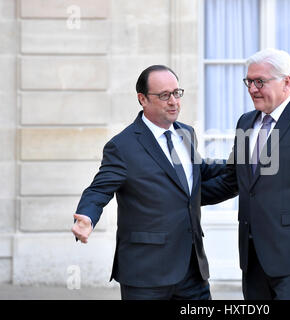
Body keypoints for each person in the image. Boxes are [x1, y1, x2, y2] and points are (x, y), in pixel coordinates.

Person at [71, 65, 236, 300]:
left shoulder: (186, 133)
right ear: (143, 99)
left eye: (176, 93)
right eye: (164, 95)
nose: (173, 101)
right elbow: (99, 189)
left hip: (192, 270)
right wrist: (86, 216)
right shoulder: (123, 146)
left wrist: (241, 166)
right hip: (146, 274)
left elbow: (198, 171)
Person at [204, 48, 290, 300]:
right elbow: (233, 179)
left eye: (260, 81)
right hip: (253, 258)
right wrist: (182, 194)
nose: (252, 88)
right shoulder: (245, 123)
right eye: (249, 81)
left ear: (286, 82)